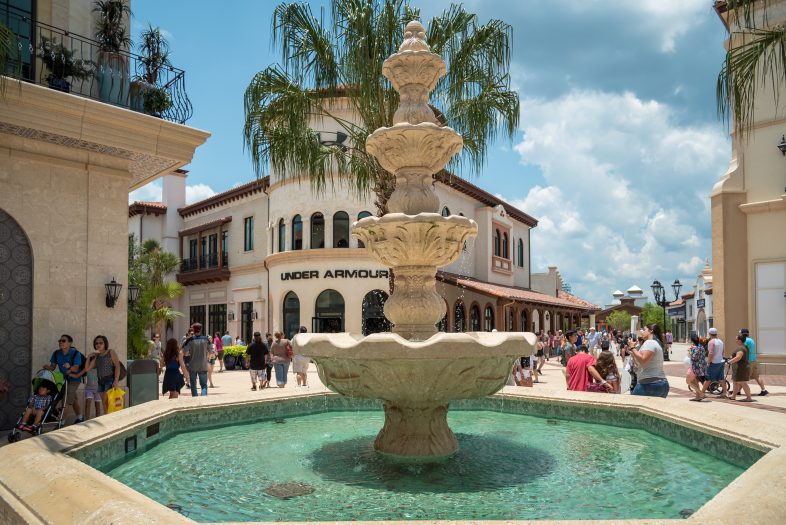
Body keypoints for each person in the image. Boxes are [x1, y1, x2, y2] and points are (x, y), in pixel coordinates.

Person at [44, 334, 84, 424]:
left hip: (74, 379)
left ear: (70, 343)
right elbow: (53, 367)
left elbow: (76, 368)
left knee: (66, 400)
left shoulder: (75, 353)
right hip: (63, 380)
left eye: (63, 341)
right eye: (60, 341)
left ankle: (61, 423)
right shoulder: (56, 353)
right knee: (73, 399)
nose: (60, 342)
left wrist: (70, 367)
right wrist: (47, 367)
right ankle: (80, 417)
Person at [628, 324, 669, 397]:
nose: (642, 332)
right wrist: (633, 353)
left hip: (648, 384)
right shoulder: (656, 343)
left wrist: (632, 348)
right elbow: (640, 363)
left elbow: (643, 360)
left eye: (644, 330)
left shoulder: (650, 342)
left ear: (651, 331)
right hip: (660, 384)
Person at [89, 335, 122, 410]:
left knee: (106, 400)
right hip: (100, 381)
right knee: (105, 403)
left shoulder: (110, 352)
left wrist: (116, 380)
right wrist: (89, 357)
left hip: (109, 379)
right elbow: (88, 368)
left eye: (101, 343)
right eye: (96, 343)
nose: (98, 345)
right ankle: (107, 419)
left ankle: (111, 419)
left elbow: (117, 365)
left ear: (105, 344)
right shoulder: (97, 356)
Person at [184, 323, 210, 396]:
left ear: (193, 330)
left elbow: (185, 352)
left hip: (193, 365)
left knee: (193, 384)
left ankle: (195, 399)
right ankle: (204, 399)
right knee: (204, 385)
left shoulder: (189, 340)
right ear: (200, 329)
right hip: (203, 365)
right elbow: (211, 351)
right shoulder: (206, 339)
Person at [740, 328, 767, 396]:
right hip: (753, 360)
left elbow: (743, 350)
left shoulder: (745, 341)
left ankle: (737, 391)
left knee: (743, 377)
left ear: (742, 334)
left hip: (748, 361)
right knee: (756, 376)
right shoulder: (751, 340)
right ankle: (763, 390)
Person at [728, 334, 753, 402]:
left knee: (743, 383)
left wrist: (729, 362)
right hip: (738, 368)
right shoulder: (745, 347)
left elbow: (738, 357)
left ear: (739, 340)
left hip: (741, 368)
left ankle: (749, 398)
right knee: (735, 382)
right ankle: (733, 396)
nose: (735, 340)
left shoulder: (740, 348)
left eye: (736, 339)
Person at [687, 333, 709, 401]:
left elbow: (693, 357)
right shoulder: (701, 346)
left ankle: (701, 394)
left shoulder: (695, 348)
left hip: (696, 368)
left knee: (688, 381)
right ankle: (697, 397)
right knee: (695, 381)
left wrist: (689, 351)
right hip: (701, 367)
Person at [706, 328, 727, 397]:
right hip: (721, 361)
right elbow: (723, 352)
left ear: (709, 334)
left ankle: (702, 392)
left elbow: (711, 353)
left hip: (714, 362)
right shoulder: (720, 341)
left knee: (708, 378)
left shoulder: (711, 342)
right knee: (721, 378)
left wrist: (708, 362)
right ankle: (724, 392)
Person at [81, 353, 102, 420]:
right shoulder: (88, 368)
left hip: (98, 389)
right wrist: (89, 356)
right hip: (89, 389)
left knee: (97, 405)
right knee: (88, 402)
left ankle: (98, 419)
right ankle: (86, 419)